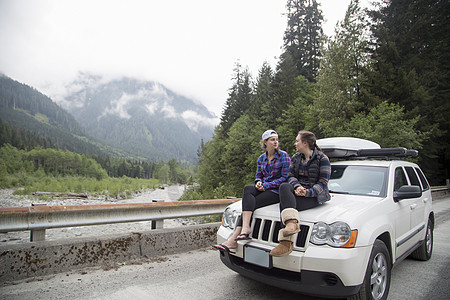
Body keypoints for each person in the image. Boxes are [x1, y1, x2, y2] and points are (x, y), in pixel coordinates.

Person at [213, 130, 291, 253]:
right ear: (265, 142)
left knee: (249, 205)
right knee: (248, 189)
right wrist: (258, 182)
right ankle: (245, 228)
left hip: (276, 191)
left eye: (276, 139)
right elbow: (258, 176)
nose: (275, 142)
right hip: (264, 188)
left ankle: (233, 239)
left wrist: (266, 185)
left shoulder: (284, 156)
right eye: (272, 139)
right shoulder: (261, 159)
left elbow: (285, 178)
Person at [269, 130, 331, 257]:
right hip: (298, 191)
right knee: (284, 186)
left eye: (297, 141)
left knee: (285, 205)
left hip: (315, 196)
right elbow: (290, 176)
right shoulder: (296, 158)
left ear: (305, 143)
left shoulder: (322, 158)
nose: (295, 144)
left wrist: (307, 192)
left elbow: (323, 182)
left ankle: (285, 243)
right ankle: (291, 224)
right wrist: (297, 187)